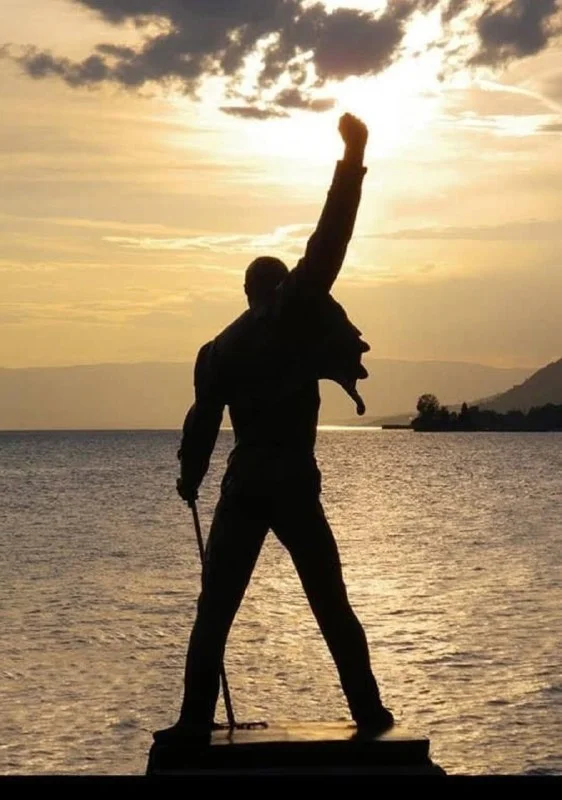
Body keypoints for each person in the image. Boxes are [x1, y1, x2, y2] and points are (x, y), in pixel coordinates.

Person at [155, 113, 394, 745]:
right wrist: (352, 160)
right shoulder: (293, 312)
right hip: (292, 482)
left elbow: (202, 420)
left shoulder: (216, 350)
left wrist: (190, 475)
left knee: (215, 609)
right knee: (330, 602)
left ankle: (193, 720)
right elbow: (329, 240)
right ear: (282, 287)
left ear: (245, 290)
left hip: (244, 486)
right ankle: (369, 711)